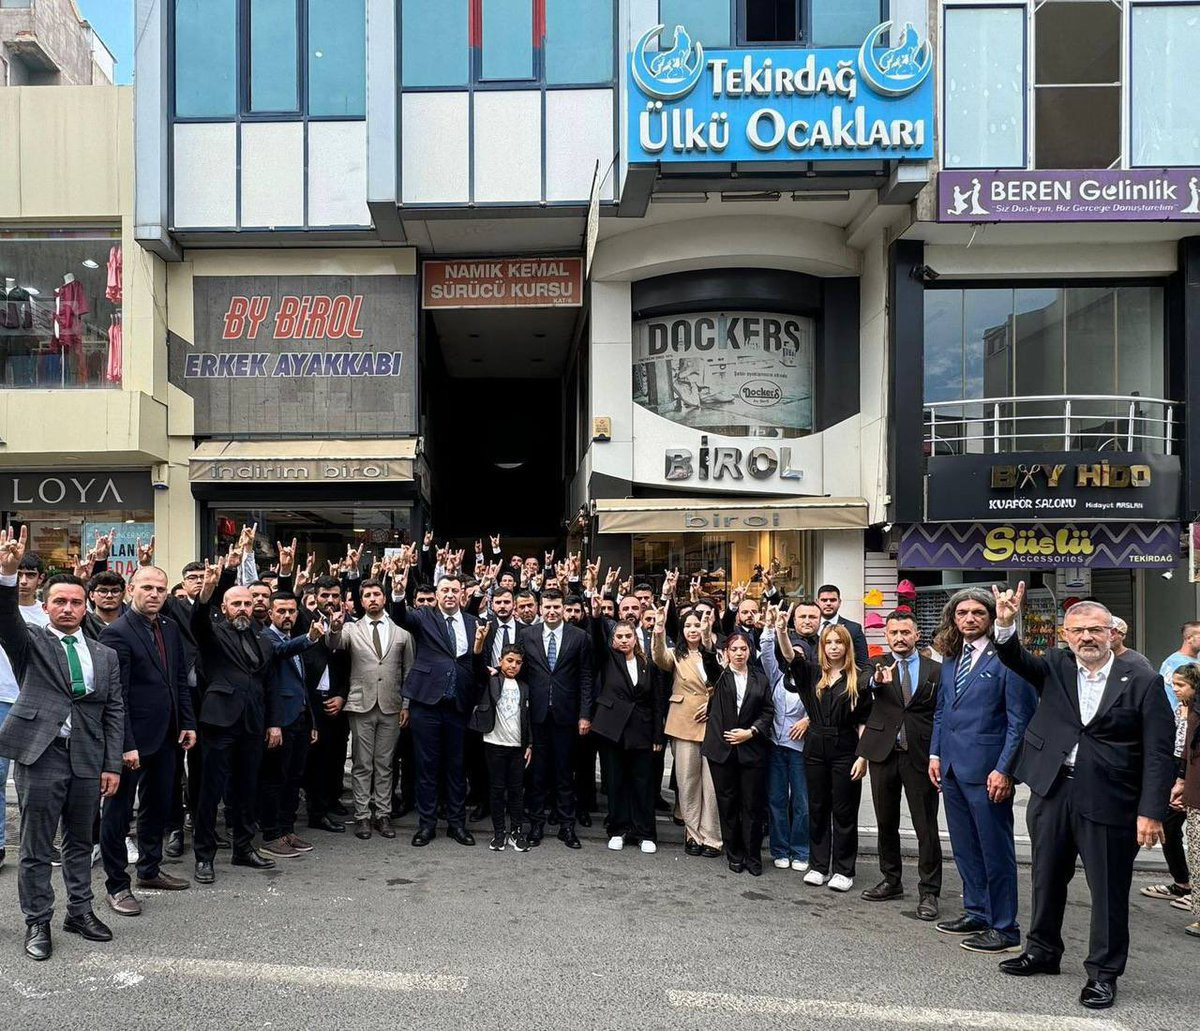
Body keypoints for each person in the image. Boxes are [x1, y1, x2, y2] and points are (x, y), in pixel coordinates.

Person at [991, 585, 1176, 1011]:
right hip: (1053, 789)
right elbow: (1013, 657)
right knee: (1046, 875)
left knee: (1108, 888)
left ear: (1113, 633)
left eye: (1095, 630)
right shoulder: (1055, 666)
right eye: (1077, 631)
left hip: (1110, 796)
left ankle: (1103, 974)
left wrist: (1151, 811)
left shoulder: (1144, 680)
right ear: (1065, 635)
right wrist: (1005, 623)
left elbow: (1158, 753)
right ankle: (1042, 951)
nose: (1086, 637)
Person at [0, 525, 124, 961]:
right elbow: (4, 616)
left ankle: (80, 911)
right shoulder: (31, 642)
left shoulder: (104, 654)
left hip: (88, 757)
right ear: (46, 606)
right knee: (36, 847)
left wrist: (112, 764)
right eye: (59, 602)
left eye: (75, 602)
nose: (68, 609)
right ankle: (37, 920)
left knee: (80, 842)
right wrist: (7, 574)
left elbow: (113, 711)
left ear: (85, 605)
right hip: (42, 754)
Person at [191, 554, 318, 883]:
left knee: (248, 789)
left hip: (253, 725)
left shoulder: (262, 638)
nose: (243, 609)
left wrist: (273, 722)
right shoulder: (214, 633)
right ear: (225, 607)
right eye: (236, 604)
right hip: (220, 724)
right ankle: (204, 856)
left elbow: (271, 681)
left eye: (247, 604)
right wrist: (207, 592)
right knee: (211, 792)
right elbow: (198, 621)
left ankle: (244, 849)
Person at [928, 587, 1037, 955]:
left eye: (977, 612)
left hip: (989, 771)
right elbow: (943, 710)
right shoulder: (951, 657)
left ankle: (1005, 928)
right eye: (962, 613)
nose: (969, 618)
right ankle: (976, 911)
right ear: (953, 618)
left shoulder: (1008, 658)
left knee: (995, 850)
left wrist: (1005, 769)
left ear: (991, 617)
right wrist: (935, 754)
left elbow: (1019, 720)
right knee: (965, 848)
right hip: (952, 768)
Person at [98, 566, 197, 917]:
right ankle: (117, 885)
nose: (154, 594)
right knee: (118, 814)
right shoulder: (116, 633)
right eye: (147, 587)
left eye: (160, 589)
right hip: (132, 742)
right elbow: (116, 696)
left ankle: (150, 870)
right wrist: (125, 744)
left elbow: (178, 681)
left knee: (158, 806)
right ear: (131, 590)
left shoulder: (169, 627)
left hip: (167, 736)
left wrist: (187, 722)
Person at [858, 610, 943, 920]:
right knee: (886, 822)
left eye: (905, 632)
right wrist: (875, 681)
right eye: (893, 633)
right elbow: (863, 682)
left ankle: (929, 891)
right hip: (883, 754)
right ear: (886, 636)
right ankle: (891, 880)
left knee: (925, 826)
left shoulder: (936, 670)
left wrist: (939, 753)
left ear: (916, 635)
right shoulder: (877, 664)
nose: (899, 638)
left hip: (920, 755)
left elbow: (941, 713)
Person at [777, 622, 871, 892]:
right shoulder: (812, 673)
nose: (833, 647)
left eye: (838, 642)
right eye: (828, 642)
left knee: (844, 810)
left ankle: (843, 869)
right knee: (817, 808)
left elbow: (863, 720)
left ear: (847, 646)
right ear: (822, 646)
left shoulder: (858, 678)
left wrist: (863, 756)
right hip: (815, 746)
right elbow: (790, 657)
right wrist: (782, 631)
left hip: (846, 747)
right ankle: (818, 866)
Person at [391, 574, 481, 847]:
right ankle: (426, 825)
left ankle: (457, 825)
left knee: (456, 767)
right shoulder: (424, 617)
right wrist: (398, 594)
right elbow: (400, 618)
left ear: (462, 594)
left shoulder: (473, 622)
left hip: (458, 706)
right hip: (426, 704)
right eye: (445, 590)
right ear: (438, 594)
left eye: (455, 590)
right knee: (427, 767)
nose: (450, 594)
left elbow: (475, 663)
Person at [329, 578, 414, 840]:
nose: (372, 599)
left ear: (384, 598)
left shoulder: (402, 634)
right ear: (362, 601)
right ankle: (363, 815)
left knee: (385, 764)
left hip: (392, 705)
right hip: (361, 704)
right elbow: (334, 644)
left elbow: (409, 672)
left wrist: (406, 704)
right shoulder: (351, 629)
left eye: (377, 594)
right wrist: (334, 628)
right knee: (362, 763)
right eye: (367, 595)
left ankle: (383, 814)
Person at [517, 589, 594, 849]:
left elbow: (586, 678)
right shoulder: (527, 635)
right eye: (547, 607)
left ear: (563, 608)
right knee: (537, 774)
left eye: (556, 607)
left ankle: (566, 826)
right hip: (536, 715)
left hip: (566, 716)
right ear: (540, 608)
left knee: (564, 772)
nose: (552, 611)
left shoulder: (579, 637)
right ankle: (536, 825)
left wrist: (585, 715)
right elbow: (521, 674)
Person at [257, 590, 326, 859]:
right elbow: (279, 653)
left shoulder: (291, 638)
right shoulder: (267, 638)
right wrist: (309, 638)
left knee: (293, 778)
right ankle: (271, 835)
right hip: (279, 721)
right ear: (270, 613)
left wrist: (311, 720)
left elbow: (301, 685)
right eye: (281, 611)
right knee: (275, 779)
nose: (287, 616)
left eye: (291, 611)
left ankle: (287, 830)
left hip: (300, 718)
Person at [589, 614, 665, 854]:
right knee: (616, 782)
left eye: (628, 636)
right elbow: (597, 637)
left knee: (643, 783)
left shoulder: (648, 664)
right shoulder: (608, 658)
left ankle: (645, 833)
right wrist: (595, 614)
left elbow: (657, 702)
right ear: (613, 640)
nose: (623, 640)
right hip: (612, 730)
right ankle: (617, 830)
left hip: (642, 731)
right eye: (619, 636)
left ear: (635, 638)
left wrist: (658, 736)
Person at [652, 604, 721, 858]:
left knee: (711, 785)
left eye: (697, 625)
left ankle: (712, 837)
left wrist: (712, 704)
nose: (693, 629)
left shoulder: (717, 653)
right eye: (688, 625)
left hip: (713, 722)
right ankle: (692, 834)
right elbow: (659, 656)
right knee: (688, 781)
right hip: (684, 722)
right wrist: (659, 629)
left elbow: (725, 683)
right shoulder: (675, 655)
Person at [701, 632, 773, 875]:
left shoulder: (760, 678)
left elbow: (768, 711)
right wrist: (706, 634)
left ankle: (753, 856)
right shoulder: (720, 676)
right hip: (721, 750)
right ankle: (735, 854)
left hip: (751, 749)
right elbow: (709, 660)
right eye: (734, 649)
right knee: (728, 803)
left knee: (752, 805)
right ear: (727, 653)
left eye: (743, 649)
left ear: (750, 651)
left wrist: (751, 732)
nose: (739, 653)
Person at [468, 635, 532, 852]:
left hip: (517, 746)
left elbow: (529, 718)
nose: (513, 665)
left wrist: (529, 745)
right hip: (494, 743)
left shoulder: (525, 687)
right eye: (509, 660)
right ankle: (499, 833)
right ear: (500, 660)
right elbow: (477, 666)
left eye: (518, 662)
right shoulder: (491, 680)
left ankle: (516, 833)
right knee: (496, 790)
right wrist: (479, 644)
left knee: (516, 791)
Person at [760, 609, 811, 873]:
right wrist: (771, 627)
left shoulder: (813, 681)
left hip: (800, 750)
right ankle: (779, 849)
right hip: (775, 746)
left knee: (801, 803)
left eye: (800, 655)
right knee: (777, 799)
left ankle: (801, 851)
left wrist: (808, 720)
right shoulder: (777, 677)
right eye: (792, 653)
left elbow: (825, 706)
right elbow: (767, 653)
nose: (795, 658)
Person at [1168, 663, 1200, 938]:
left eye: (1181, 685)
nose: (1175, 689)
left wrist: (1183, 783)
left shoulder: (1196, 712)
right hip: (1187, 781)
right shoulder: (1186, 709)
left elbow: (1190, 750)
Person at [814, 585, 869, 669]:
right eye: (824, 600)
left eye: (833, 600)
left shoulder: (854, 629)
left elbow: (863, 662)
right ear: (817, 602)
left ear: (839, 602)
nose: (828, 603)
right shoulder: (811, 627)